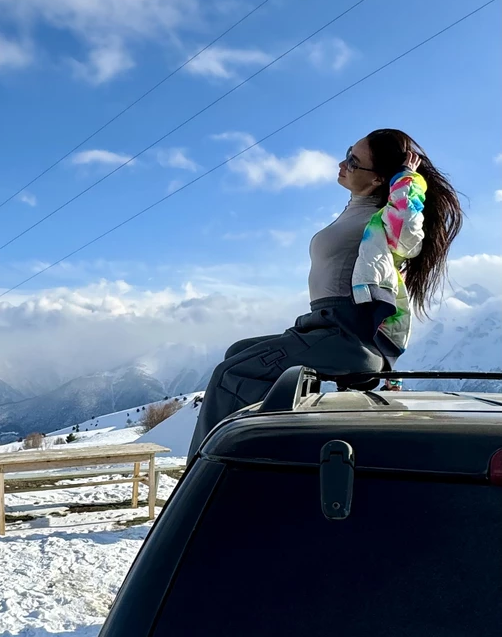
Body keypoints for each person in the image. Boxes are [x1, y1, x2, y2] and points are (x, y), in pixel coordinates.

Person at [187, 129, 462, 462]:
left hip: (346, 335)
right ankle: (269, 451)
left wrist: (408, 181)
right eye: (348, 153)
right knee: (238, 352)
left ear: (376, 179)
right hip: (320, 325)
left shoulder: (382, 221)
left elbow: (407, 233)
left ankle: (210, 471)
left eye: (352, 161)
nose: (341, 163)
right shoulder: (355, 210)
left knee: (230, 375)